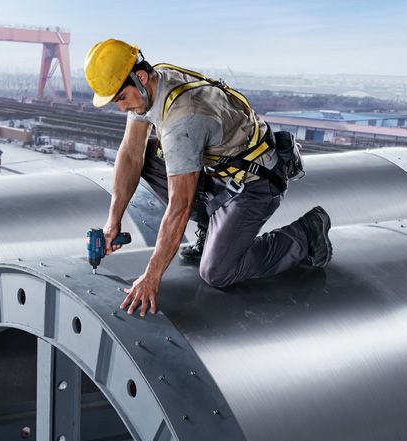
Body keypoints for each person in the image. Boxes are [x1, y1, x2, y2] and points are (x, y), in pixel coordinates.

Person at [84, 39, 332, 317]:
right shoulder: (154, 83)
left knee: (217, 272)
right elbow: (131, 154)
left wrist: (151, 275)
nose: (121, 108)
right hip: (221, 171)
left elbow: (179, 207)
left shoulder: (183, 120)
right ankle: (211, 226)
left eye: (121, 98)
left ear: (140, 78)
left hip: (255, 183)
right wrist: (113, 221)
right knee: (146, 157)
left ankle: (306, 235)